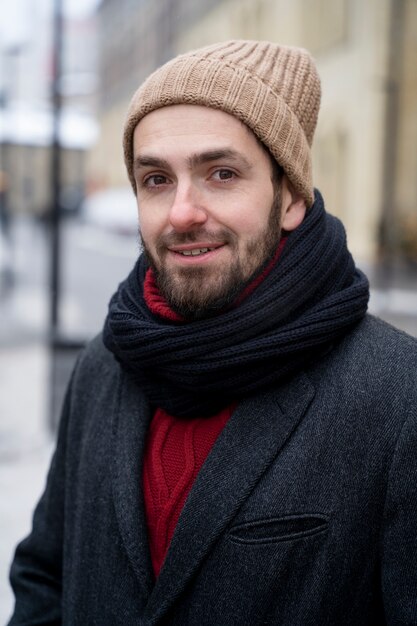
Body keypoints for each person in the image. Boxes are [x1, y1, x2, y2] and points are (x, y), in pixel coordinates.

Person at [8, 40, 417, 625]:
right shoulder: (106, 363)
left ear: (292, 197)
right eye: (155, 179)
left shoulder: (399, 399)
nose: (181, 213)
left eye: (221, 173)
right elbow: (44, 574)